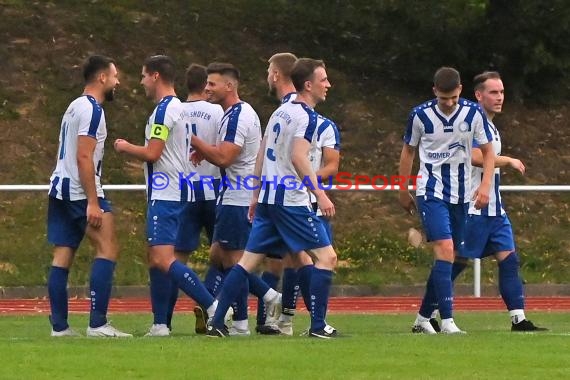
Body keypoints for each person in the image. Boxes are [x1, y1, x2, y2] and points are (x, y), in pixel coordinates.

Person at [206, 58, 339, 339]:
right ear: (308, 84)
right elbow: (298, 157)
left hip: (268, 197)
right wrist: (320, 194)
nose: (328, 84)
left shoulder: (282, 111)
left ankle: (216, 322)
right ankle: (318, 326)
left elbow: (262, 153)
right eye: (323, 79)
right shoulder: (307, 117)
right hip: (290, 201)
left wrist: (255, 195)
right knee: (327, 257)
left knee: (247, 263)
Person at [114, 55, 217, 337]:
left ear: (156, 76)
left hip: (167, 192)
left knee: (163, 258)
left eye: (144, 75)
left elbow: (153, 152)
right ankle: (160, 324)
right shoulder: (177, 108)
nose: (142, 81)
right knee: (156, 257)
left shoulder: (165, 111)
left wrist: (124, 147)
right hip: (171, 190)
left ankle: (213, 306)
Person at [398, 67, 495, 334]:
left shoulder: (473, 113)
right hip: (431, 190)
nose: (449, 103)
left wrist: (485, 185)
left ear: (460, 90)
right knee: (444, 247)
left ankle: (422, 318)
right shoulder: (420, 115)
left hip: (463, 193)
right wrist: (402, 188)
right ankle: (448, 321)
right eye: (444, 99)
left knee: (457, 256)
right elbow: (408, 151)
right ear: (434, 92)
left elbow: (488, 152)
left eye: (453, 98)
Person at [190, 62, 281, 336]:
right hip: (231, 196)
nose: (207, 88)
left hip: (238, 198)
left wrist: (196, 142)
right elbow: (224, 154)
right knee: (219, 256)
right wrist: (205, 152)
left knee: (234, 263)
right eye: (206, 83)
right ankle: (235, 317)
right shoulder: (233, 113)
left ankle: (266, 298)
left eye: (212, 84)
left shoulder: (238, 116)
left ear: (229, 86)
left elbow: (225, 157)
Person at [453, 71, 547, 332]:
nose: (499, 97)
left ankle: (519, 319)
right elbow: (474, 156)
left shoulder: (492, 126)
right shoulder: (472, 123)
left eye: (502, 92)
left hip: (494, 207)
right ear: (479, 95)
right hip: (474, 205)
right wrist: (508, 160)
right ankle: (428, 315)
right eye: (494, 92)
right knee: (455, 262)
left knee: (509, 259)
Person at [47, 54, 131, 337]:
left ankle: (60, 328)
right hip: (79, 191)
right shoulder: (93, 110)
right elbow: (84, 156)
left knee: (62, 255)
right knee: (108, 248)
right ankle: (98, 323)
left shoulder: (73, 106)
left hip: (59, 186)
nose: (118, 81)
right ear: (102, 78)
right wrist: (93, 202)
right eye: (115, 75)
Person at [158, 63, 225, 331]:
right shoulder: (217, 111)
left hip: (184, 189)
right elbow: (223, 148)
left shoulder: (177, 110)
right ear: (205, 85)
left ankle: (164, 321)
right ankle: (210, 301)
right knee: (225, 256)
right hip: (214, 189)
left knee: (176, 259)